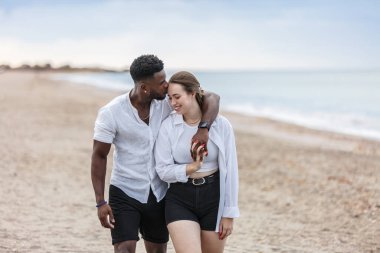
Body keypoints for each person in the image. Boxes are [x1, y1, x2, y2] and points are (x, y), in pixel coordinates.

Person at [91, 55, 220, 253]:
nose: (166, 85)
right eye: (161, 82)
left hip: (160, 193)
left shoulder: (166, 103)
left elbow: (212, 98)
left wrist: (203, 129)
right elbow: (99, 156)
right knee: (124, 247)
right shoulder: (111, 113)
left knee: (158, 250)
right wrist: (100, 201)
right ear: (144, 87)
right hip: (125, 190)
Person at [154, 71, 239, 253]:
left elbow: (231, 170)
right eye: (170, 98)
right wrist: (191, 167)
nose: (173, 103)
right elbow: (162, 170)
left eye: (177, 97)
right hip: (180, 197)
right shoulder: (168, 126)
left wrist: (229, 213)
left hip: (214, 197)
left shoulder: (221, 125)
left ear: (192, 93)